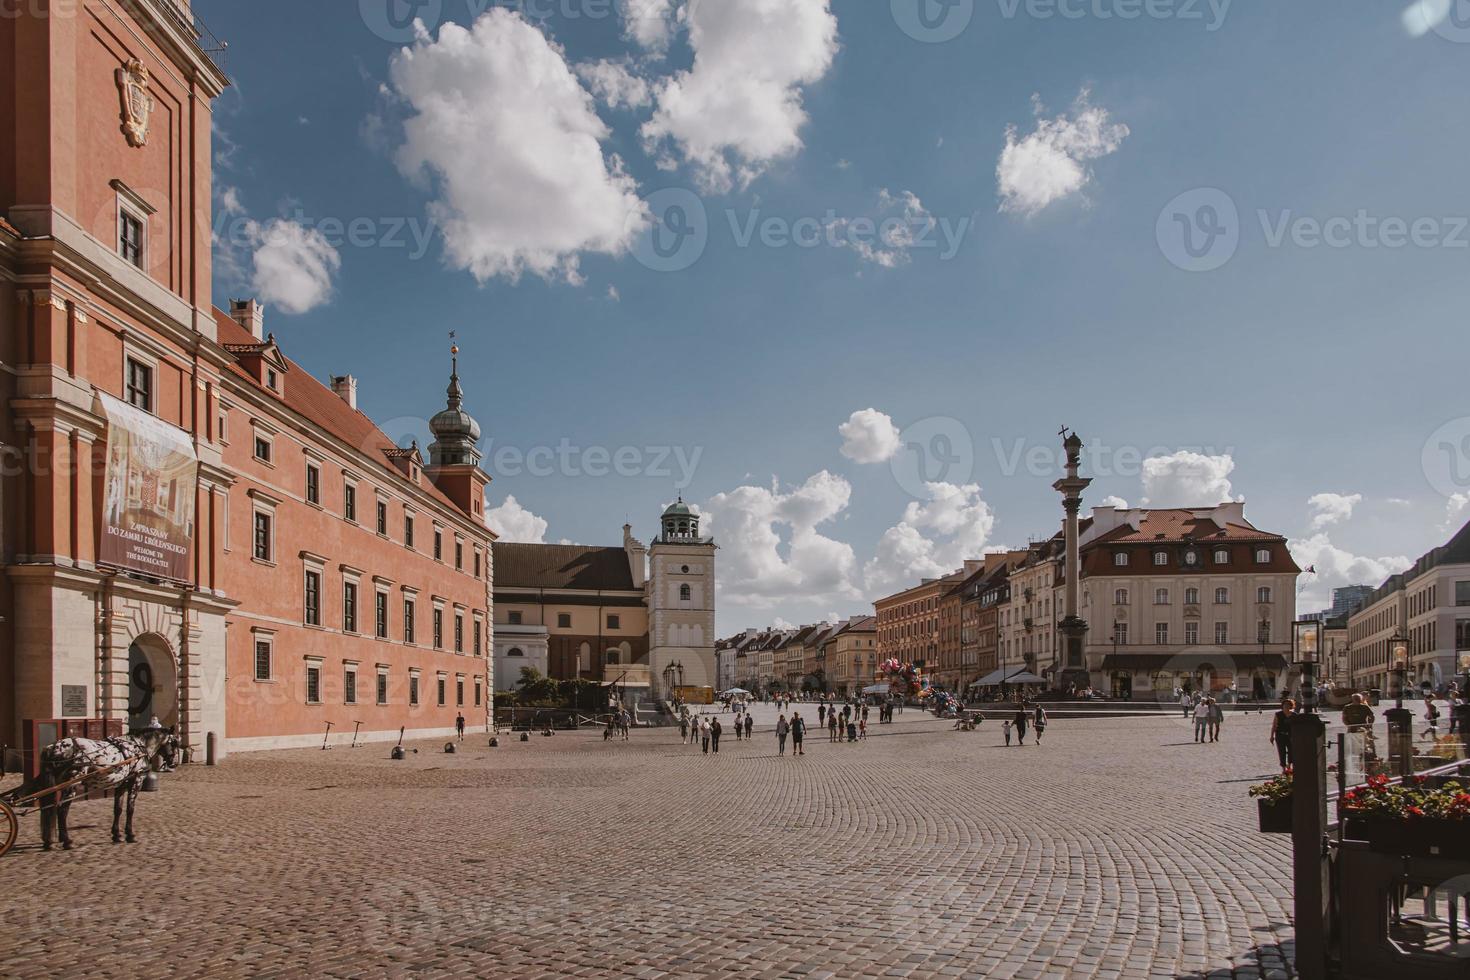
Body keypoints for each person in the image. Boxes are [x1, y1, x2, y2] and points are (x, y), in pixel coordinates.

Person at [1269, 698, 1295, 771]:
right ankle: (1283, 768)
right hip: (1280, 735)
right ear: (1282, 706)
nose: (1286, 706)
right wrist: (1272, 736)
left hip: (1291, 736)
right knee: (1281, 751)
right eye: (1285, 705)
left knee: (1291, 751)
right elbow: (1274, 725)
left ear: (1291, 706)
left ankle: (1289, 765)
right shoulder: (1278, 714)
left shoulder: (1294, 715)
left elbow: (1296, 727)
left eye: (1288, 705)